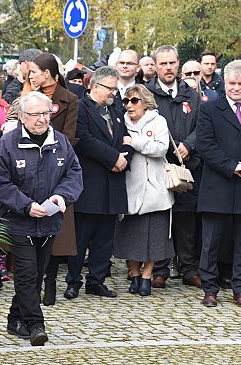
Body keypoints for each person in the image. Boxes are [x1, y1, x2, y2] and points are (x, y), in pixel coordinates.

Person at [0, 91, 83, 345]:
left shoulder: (60, 142)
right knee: (27, 274)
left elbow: (73, 174)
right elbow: (0, 183)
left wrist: (62, 197)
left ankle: (14, 318)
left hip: (49, 222)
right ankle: (35, 324)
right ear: (21, 117)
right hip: (19, 221)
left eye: (46, 113)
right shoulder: (8, 143)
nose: (42, 119)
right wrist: (26, 205)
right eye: (35, 115)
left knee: (37, 273)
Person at [65, 67, 133, 299]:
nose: (114, 93)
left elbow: (125, 139)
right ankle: (73, 280)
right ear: (95, 87)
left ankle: (97, 280)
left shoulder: (115, 110)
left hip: (113, 183)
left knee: (105, 238)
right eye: (110, 88)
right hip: (90, 183)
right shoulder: (80, 108)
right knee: (81, 236)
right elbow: (83, 139)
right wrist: (113, 158)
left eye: (116, 89)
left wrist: (124, 157)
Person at [146, 45, 202, 289]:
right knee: (161, 218)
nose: (168, 68)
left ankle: (189, 269)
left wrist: (189, 145)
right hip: (159, 164)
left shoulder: (192, 94)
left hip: (188, 165)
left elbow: (203, 126)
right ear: (155, 66)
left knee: (187, 220)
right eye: (163, 64)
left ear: (178, 64)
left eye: (172, 63)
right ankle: (160, 269)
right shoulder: (148, 93)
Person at [27, 52, 79, 306]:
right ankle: (34, 281)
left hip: (57, 167)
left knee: (57, 230)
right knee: (32, 225)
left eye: (34, 72)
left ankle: (50, 279)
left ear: (47, 73)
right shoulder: (27, 98)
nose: (31, 76)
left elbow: (69, 136)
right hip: (28, 167)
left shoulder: (70, 100)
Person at [114, 84, 175, 296]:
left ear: (146, 102)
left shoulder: (158, 120)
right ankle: (134, 274)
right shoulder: (121, 121)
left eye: (134, 100)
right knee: (131, 234)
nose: (129, 105)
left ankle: (147, 276)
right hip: (130, 186)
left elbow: (160, 148)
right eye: (126, 101)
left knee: (154, 236)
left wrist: (136, 142)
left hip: (155, 188)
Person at [196, 59, 241, 307]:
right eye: (232, 83)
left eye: (240, 84)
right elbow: (205, 145)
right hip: (218, 185)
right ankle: (210, 288)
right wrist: (232, 166)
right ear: (224, 83)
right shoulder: (210, 109)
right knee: (211, 242)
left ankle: (239, 287)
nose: (235, 88)